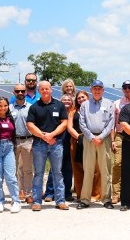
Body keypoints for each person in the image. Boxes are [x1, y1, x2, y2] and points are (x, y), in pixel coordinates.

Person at [26, 80, 69, 211]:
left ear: (51, 90)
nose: (45, 91)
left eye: (47, 89)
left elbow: (64, 123)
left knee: (57, 173)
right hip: (39, 144)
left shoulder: (59, 105)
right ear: (39, 91)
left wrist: (52, 135)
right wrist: (44, 136)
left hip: (56, 144)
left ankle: (60, 201)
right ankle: (37, 202)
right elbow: (30, 125)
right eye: (42, 89)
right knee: (38, 173)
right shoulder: (34, 107)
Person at [77, 80, 114, 210]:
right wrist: (92, 137)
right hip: (89, 139)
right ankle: (85, 199)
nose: (97, 91)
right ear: (91, 90)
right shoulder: (84, 105)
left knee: (105, 170)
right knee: (88, 170)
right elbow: (82, 123)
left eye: (99, 89)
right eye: (95, 89)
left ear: (103, 90)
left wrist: (101, 136)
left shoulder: (109, 104)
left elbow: (111, 123)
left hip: (104, 139)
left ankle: (106, 199)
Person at [68, 90, 101, 201]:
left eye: (83, 97)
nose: (81, 99)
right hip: (77, 140)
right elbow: (69, 126)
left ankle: (95, 194)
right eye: (79, 98)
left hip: (92, 139)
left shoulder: (94, 109)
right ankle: (80, 194)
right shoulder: (73, 111)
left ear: (88, 97)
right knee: (78, 168)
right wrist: (79, 137)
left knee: (95, 168)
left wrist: (91, 137)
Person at [111, 80, 130, 204]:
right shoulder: (116, 103)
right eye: (125, 87)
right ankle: (116, 194)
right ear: (122, 90)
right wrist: (112, 139)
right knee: (117, 164)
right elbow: (112, 123)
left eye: (129, 87)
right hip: (120, 136)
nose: (127, 89)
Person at [11, 83, 34, 203]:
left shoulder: (31, 107)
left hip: (28, 140)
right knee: (12, 169)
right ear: (14, 92)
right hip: (13, 141)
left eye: (22, 91)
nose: (20, 93)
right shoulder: (8, 108)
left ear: (25, 92)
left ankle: (28, 194)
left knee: (28, 169)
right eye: (17, 91)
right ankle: (15, 193)